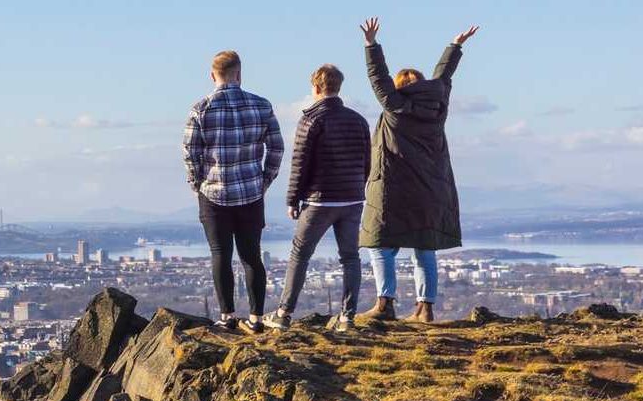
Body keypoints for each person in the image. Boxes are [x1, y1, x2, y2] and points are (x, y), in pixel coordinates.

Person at [355, 18, 478, 324]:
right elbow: (443, 77)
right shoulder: (438, 107)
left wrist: (371, 45)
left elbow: (378, 78)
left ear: (398, 89)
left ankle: (385, 302)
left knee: (378, 243)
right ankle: (426, 308)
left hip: (393, 188)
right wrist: (455, 47)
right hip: (431, 189)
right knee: (425, 249)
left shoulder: (395, 107)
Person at [183, 49, 284, 331]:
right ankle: (256, 319)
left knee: (220, 255)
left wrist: (197, 184)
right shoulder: (261, 106)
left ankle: (227, 317)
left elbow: (190, 153)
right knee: (252, 256)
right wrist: (265, 179)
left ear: (212, 75)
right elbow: (276, 147)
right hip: (251, 192)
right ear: (239, 74)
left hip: (213, 194)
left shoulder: (200, 109)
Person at [272, 63, 372, 331]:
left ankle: (283, 314)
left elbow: (300, 164)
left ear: (315, 88)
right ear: (338, 87)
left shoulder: (311, 120)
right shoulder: (358, 120)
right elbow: (367, 163)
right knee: (350, 258)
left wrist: (292, 200)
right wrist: (356, 188)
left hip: (319, 200)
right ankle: (347, 317)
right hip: (351, 200)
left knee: (300, 255)